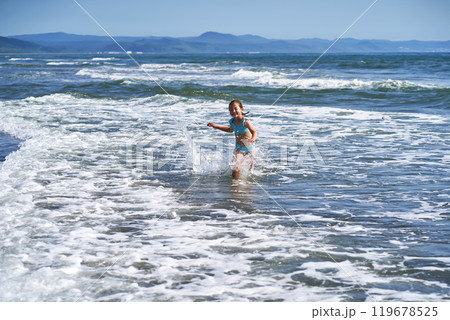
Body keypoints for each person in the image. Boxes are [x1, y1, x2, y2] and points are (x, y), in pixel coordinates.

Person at [207, 100, 258, 179]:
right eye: (231, 110)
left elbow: (254, 131)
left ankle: (248, 186)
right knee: (235, 168)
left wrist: (253, 139)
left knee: (250, 172)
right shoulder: (232, 122)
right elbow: (230, 130)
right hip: (239, 148)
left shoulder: (245, 122)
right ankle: (235, 185)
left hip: (250, 148)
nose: (233, 111)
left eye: (235, 109)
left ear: (241, 109)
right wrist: (216, 126)